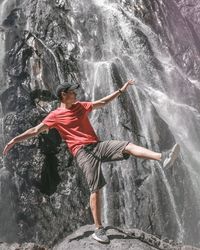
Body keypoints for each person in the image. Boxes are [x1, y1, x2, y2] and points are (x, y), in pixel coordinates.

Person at [3, 79, 180, 243]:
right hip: (82, 153)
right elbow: (35, 130)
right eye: (72, 92)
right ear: (63, 95)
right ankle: (98, 229)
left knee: (127, 146)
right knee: (95, 188)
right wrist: (14, 140)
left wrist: (121, 89)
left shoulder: (80, 106)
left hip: (97, 146)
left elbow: (102, 103)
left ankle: (161, 158)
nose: (75, 94)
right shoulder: (55, 115)